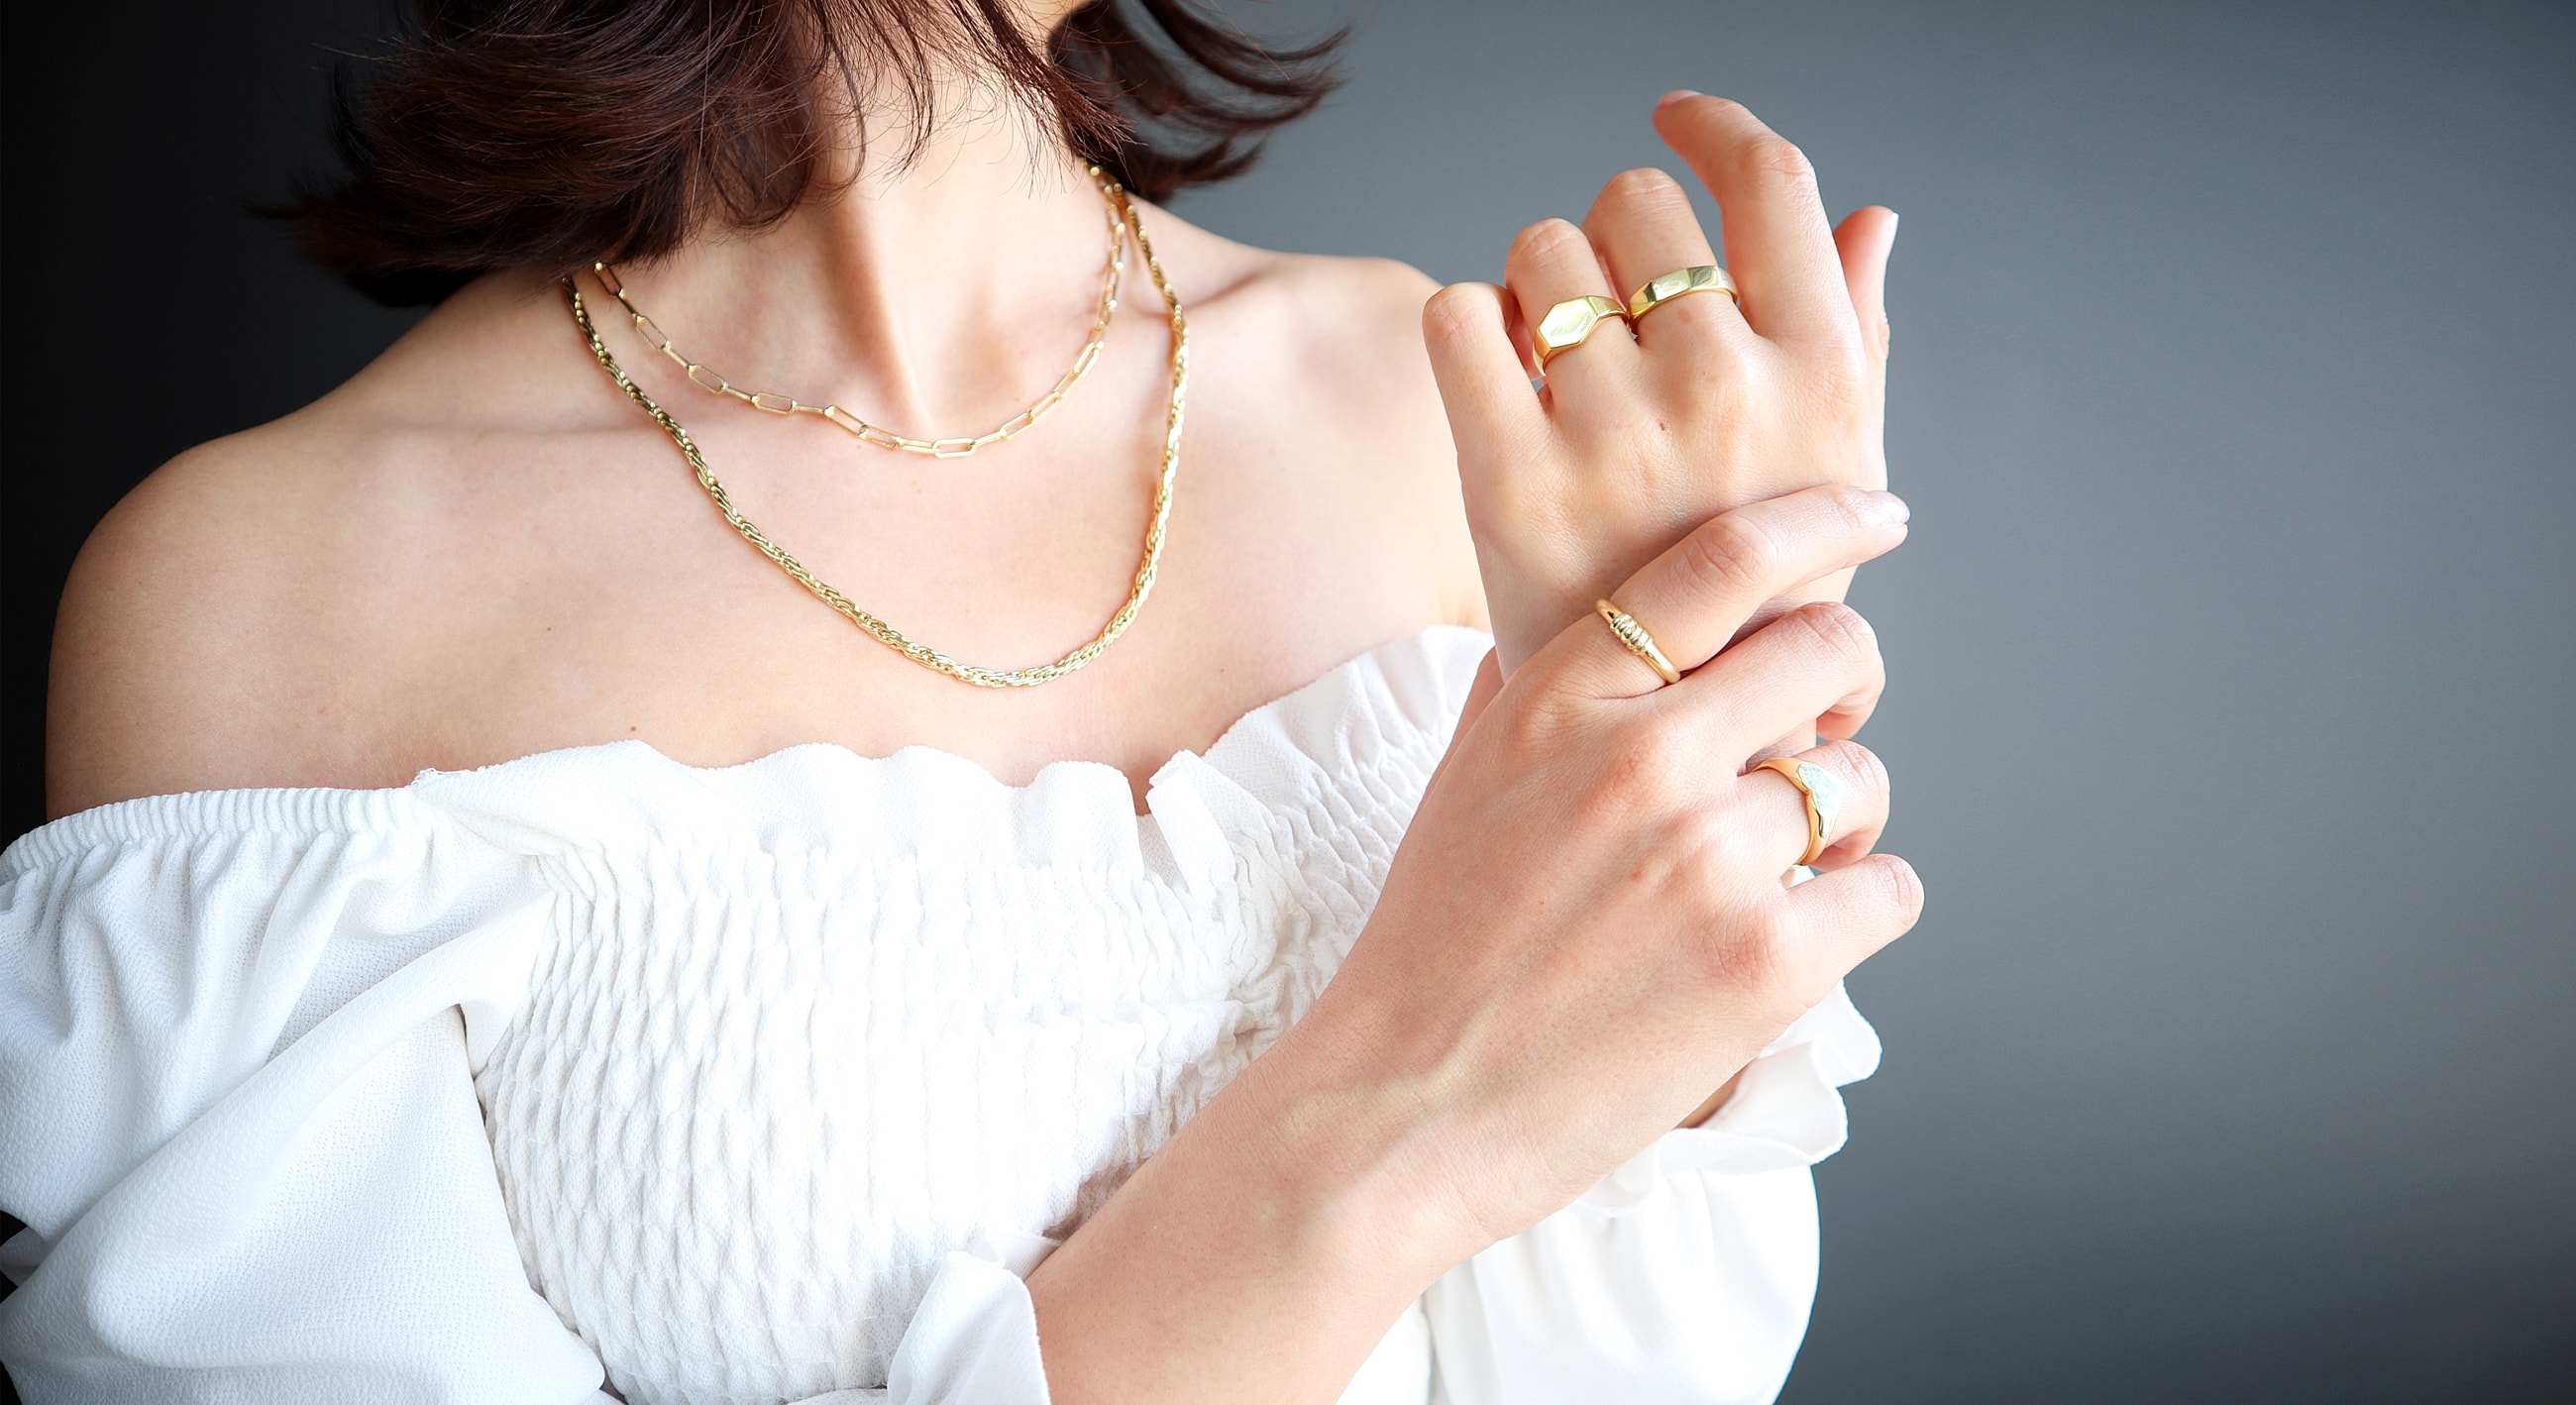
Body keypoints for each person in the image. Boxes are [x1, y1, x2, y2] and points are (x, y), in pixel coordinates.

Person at [0, 1, 1921, 1400]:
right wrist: (1386, 1119)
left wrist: (1716, 722)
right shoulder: (272, 589)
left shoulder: (1472, 413)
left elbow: (1655, 1358)